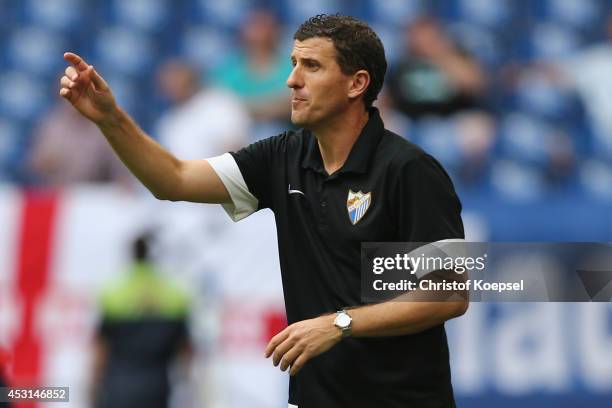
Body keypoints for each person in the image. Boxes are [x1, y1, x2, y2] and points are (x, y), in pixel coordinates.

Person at [60, 14, 467, 407]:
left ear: (356, 83)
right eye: (293, 64)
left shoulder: (410, 170)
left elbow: (449, 295)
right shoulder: (281, 157)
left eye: (311, 66)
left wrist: (339, 324)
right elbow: (174, 179)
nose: (292, 80)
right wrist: (110, 119)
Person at [91, 234, 192, 408]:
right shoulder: (175, 294)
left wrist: (93, 387)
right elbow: (184, 351)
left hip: (117, 386)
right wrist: (187, 388)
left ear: (133, 254)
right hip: (157, 387)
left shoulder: (114, 292)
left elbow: (102, 349)